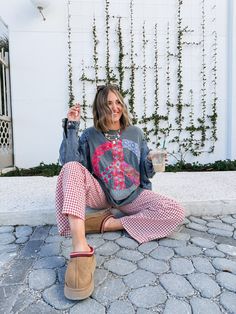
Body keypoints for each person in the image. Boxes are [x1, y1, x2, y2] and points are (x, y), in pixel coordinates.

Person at [55, 84, 185, 300]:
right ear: (100, 108)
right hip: (102, 195)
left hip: (132, 195)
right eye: (108, 104)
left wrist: (151, 162)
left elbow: (145, 171)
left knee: (176, 211)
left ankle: (105, 224)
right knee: (71, 168)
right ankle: (80, 248)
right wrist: (71, 127)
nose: (115, 108)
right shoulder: (90, 135)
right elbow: (69, 161)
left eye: (118, 102)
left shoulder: (135, 133)